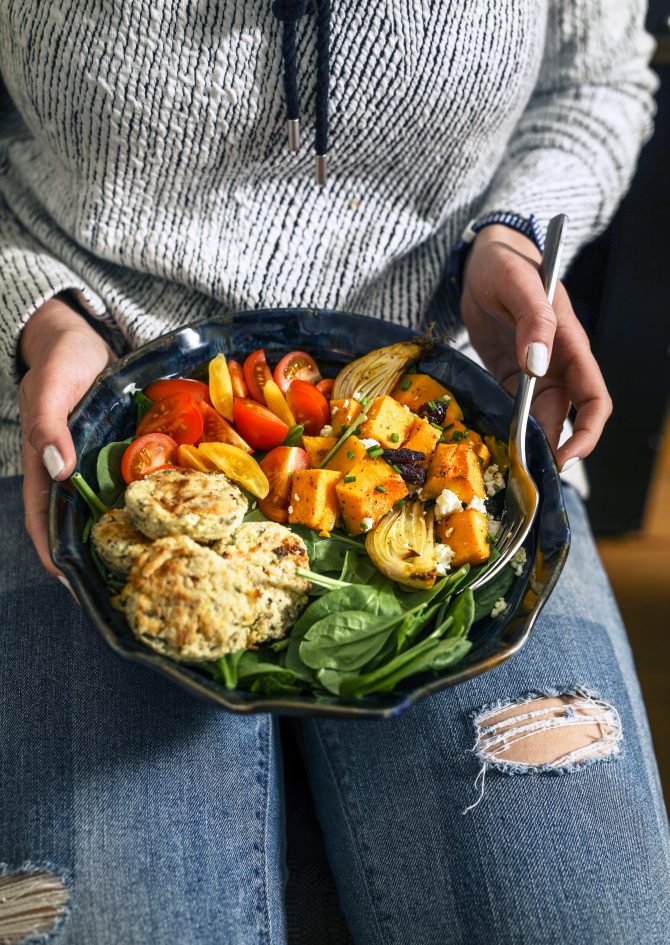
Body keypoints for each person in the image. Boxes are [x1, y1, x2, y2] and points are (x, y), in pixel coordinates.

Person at [1, 2, 668, 943]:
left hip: (444, 396)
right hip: (80, 404)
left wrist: (512, 235)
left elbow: (594, 83)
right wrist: (30, 311)